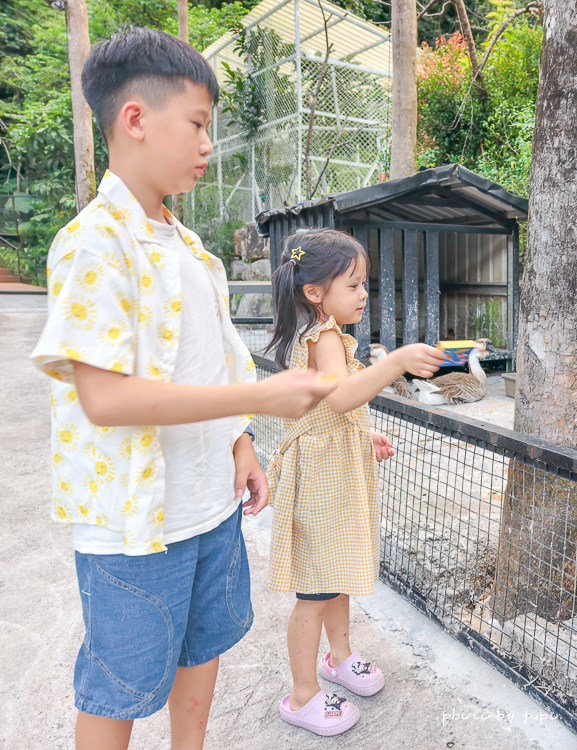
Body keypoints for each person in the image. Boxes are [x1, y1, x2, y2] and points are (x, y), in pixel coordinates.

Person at [30, 26, 337, 750]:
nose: (208, 144)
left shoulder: (192, 250)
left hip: (208, 510)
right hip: (135, 530)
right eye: (197, 124)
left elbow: (209, 364)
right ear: (134, 119)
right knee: (119, 690)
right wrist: (257, 402)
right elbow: (105, 399)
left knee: (201, 669)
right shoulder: (92, 242)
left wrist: (239, 444)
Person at [264, 228, 445, 736]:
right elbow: (342, 397)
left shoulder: (330, 335)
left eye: (364, 283)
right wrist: (395, 362)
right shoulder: (321, 336)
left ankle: (338, 656)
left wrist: (363, 439)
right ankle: (302, 694)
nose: (364, 294)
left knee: (336, 575)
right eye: (354, 284)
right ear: (315, 292)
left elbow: (330, 411)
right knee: (316, 589)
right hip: (320, 482)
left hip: (334, 471)